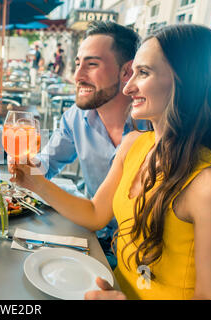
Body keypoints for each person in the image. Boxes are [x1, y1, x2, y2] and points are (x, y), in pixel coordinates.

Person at [12, 24, 211, 299]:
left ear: (186, 80)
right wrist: (33, 181)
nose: (129, 86)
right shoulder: (134, 143)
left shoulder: (210, 184)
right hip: (110, 285)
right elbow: (96, 214)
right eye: (132, 73)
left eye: (143, 73)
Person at [37, 21, 144, 269]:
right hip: (89, 238)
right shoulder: (75, 117)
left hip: (138, 259)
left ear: (126, 72)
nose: (77, 76)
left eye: (92, 64)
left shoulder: (154, 127)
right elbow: (48, 162)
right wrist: (27, 165)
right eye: (77, 64)